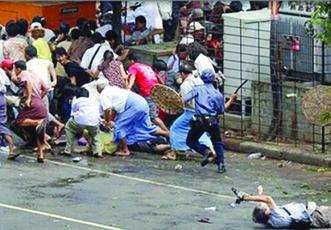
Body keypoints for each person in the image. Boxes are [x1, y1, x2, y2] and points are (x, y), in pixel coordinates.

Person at [184, 69, 237, 173]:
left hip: (199, 120)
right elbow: (222, 110)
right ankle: (221, 164)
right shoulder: (217, 94)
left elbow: (183, 99)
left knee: (190, 141)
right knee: (217, 141)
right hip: (212, 121)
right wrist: (231, 99)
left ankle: (204, 152)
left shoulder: (197, 89)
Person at [97, 78, 168, 156]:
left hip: (132, 105)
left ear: (99, 88)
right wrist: (111, 120)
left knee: (119, 127)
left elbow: (108, 110)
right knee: (147, 127)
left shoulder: (104, 93)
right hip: (141, 101)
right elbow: (114, 111)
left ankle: (125, 150)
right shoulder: (114, 89)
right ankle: (168, 134)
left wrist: (108, 122)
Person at [162, 64, 215, 161]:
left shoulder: (185, 85)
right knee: (199, 131)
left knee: (175, 128)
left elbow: (188, 101)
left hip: (191, 112)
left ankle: (174, 151)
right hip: (203, 110)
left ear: (182, 74)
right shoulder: (199, 80)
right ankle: (213, 150)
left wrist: (178, 100)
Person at [233, 185, 331, 229]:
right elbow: (267, 199)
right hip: (317, 215)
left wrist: (259, 192)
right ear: (267, 213)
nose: (268, 206)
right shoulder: (277, 217)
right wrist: (245, 198)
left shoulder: (271, 219)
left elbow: (263, 204)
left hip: (315, 212)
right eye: (267, 208)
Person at [10, 61, 48, 163]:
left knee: (18, 122)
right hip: (39, 103)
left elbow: (28, 83)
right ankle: (40, 154)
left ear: (18, 69)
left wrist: (29, 98)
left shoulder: (23, 74)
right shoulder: (36, 76)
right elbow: (46, 88)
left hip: (30, 102)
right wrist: (39, 97)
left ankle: (36, 123)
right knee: (40, 131)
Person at [127, 53, 169, 133]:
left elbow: (132, 76)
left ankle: (168, 134)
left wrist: (129, 86)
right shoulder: (147, 67)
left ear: (132, 61)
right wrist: (163, 88)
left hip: (148, 92)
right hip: (155, 91)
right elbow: (159, 78)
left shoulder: (133, 67)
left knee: (153, 117)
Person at [63, 87, 103, 158]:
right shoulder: (94, 101)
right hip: (93, 121)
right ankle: (97, 152)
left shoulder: (76, 100)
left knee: (69, 128)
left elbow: (73, 113)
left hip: (79, 120)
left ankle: (68, 149)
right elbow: (99, 113)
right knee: (96, 135)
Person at [0, 60, 18, 160]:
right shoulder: (1, 72)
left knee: (1, 124)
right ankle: (7, 145)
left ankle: (11, 145)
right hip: (2, 97)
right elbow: (7, 83)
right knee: (2, 122)